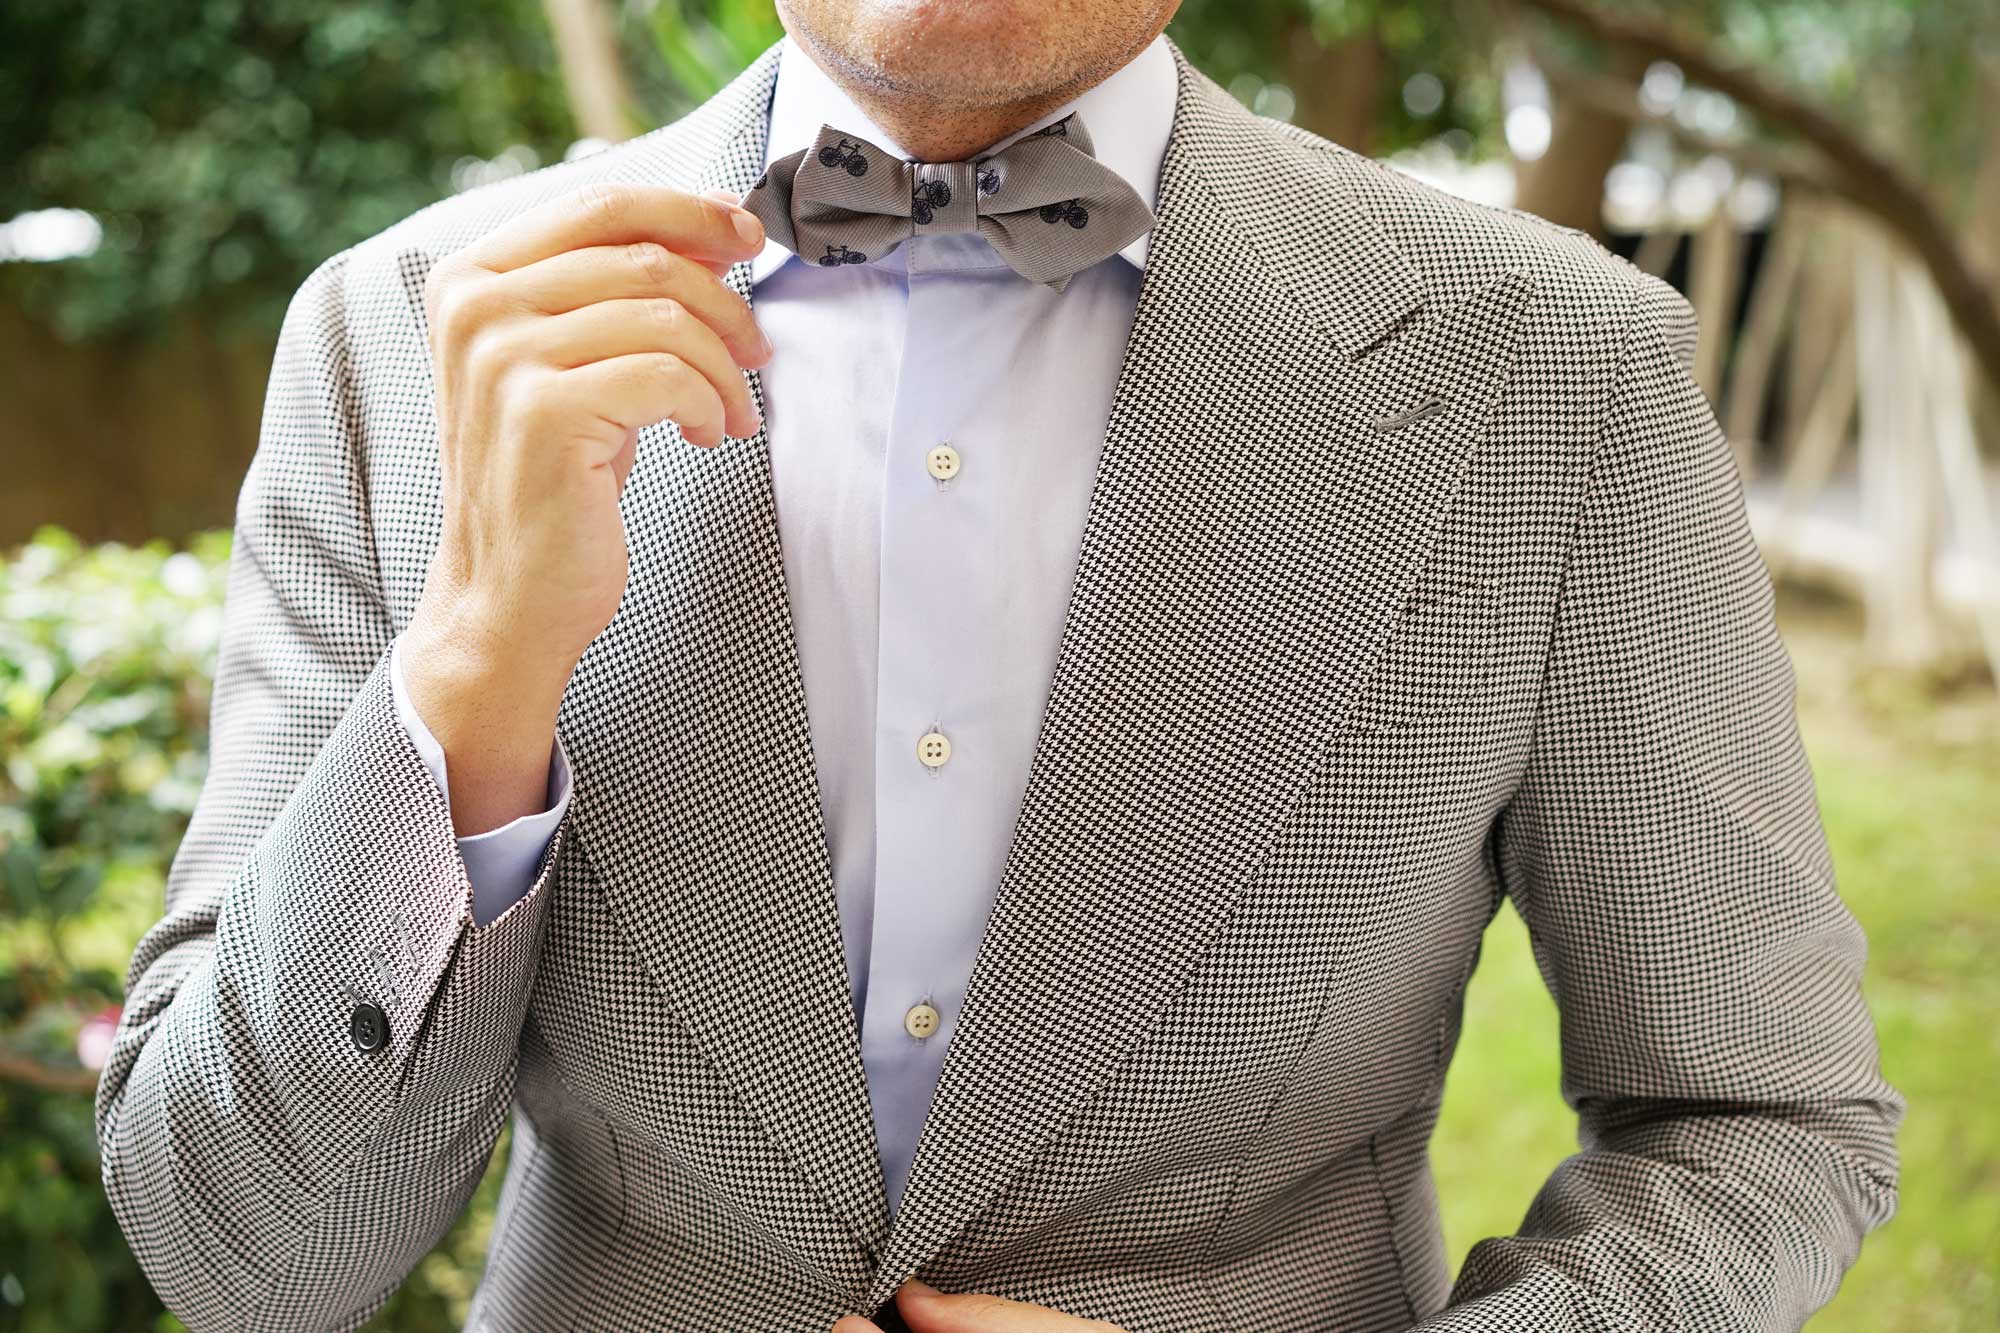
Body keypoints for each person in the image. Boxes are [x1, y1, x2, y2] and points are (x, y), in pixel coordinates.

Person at [94, 0, 1904, 1329]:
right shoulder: (394, 339)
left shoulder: (1559, 374)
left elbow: (1757, 1123)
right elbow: (243, 1253)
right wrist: (475, 663)